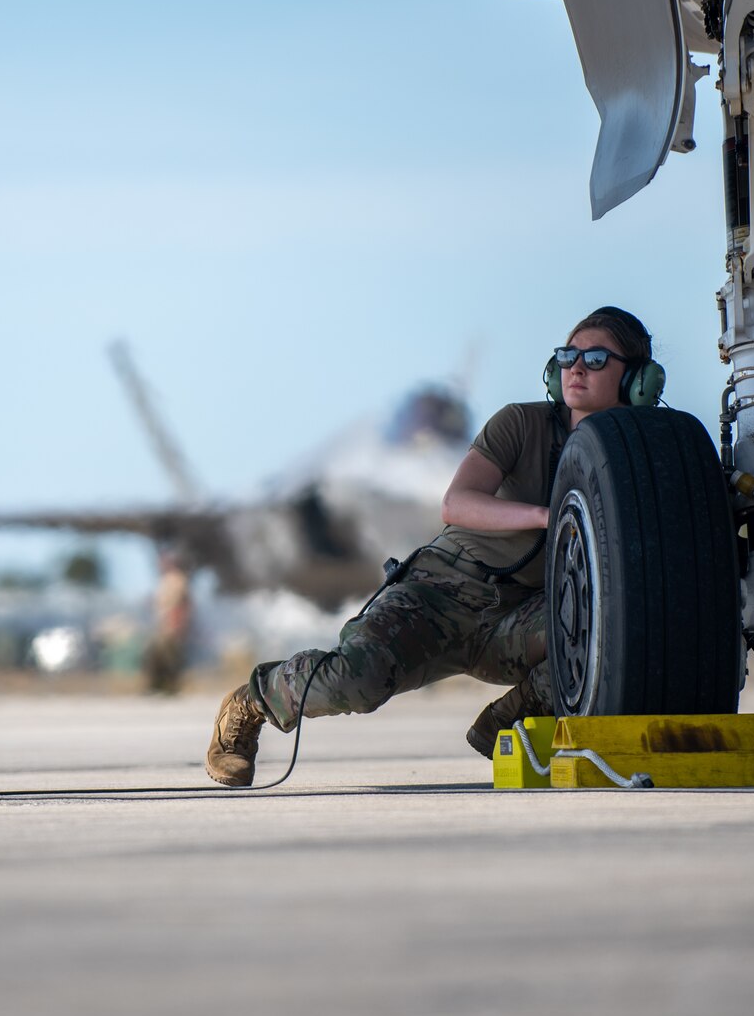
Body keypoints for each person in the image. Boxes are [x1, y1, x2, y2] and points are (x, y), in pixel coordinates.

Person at [204, 306, 662, 786]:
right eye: (568, 355)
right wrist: (546, 517)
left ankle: (510, 720)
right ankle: (250, 705)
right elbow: (457, 503)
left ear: (637, 380)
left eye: (594, 358)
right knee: (357, 680)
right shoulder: (520, 425)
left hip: (518, 618)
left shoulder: (642, 460)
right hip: (440, 593)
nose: (576, 368)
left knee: (613, 625)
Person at [141, 549, 195, 696]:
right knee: (157, 655)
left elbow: (183, 604)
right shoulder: (165, 580)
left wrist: (180, 623)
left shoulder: (177, 579)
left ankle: (170, 687)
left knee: (170, 656)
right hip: (163, 624)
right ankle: (157, 686)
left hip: (172, 624)